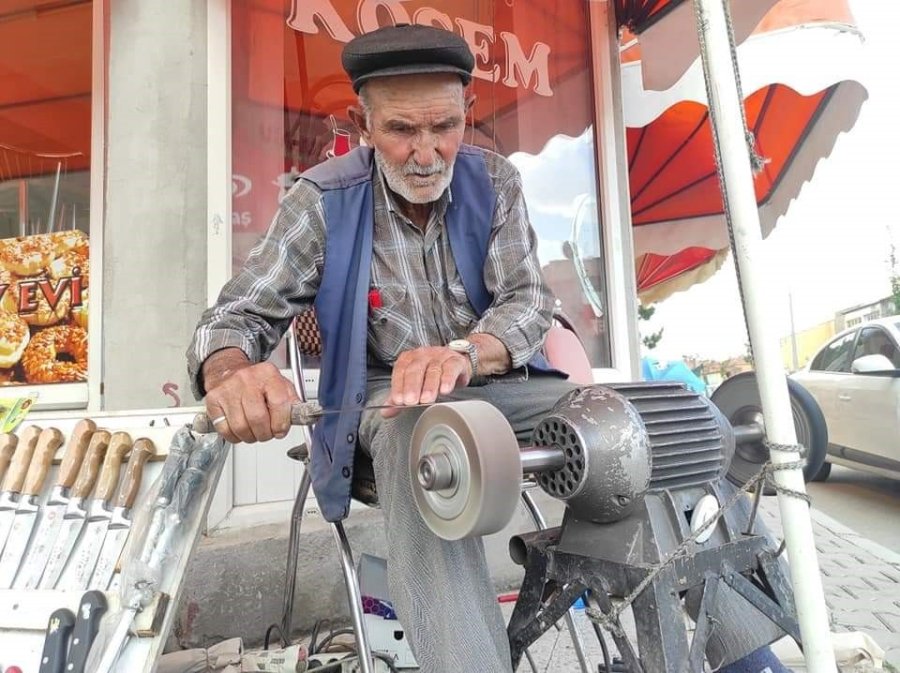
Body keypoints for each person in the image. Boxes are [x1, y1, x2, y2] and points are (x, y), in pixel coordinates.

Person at [188, 24, 793, 673]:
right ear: (361, 125)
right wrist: (232, 371)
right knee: (426, 437)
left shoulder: (495, 180)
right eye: (401, 130)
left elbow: (528, 301)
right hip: (387, 406)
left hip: (504, 385)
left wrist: (467, 352)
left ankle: (748, 658)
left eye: (444, 126)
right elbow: (234, 317)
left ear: (468, 114)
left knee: (641, 420)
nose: (426, 153)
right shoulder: (322, 200)